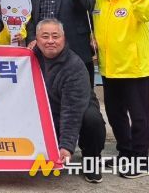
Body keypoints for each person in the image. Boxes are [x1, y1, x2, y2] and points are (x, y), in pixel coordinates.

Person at [94, 0, 149, 179]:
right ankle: (125, 152)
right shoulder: (99, 0)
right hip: (109, 69)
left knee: (139, 117)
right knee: (115, 114)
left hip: (134, 69)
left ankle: (140, 160)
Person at [34, 18, 107, 184]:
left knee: (91, 119)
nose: (50, 41)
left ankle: (91, 159)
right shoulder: (29, 59)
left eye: (55, 36)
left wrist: (67, 146)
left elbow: (71, 110)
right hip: (46, 109)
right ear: (36, 40)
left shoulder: (74, 66)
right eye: (45, 36)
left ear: (64, 38)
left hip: (75, 108)